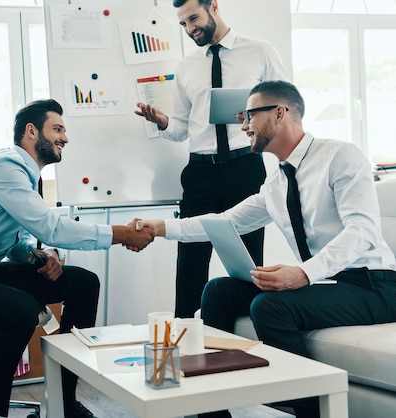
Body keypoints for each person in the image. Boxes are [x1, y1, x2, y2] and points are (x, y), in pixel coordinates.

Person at [134, 80, 396, 418]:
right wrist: (159, 228)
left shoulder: (339, 156)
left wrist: (302, 273)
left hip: (375, 285)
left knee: (271, 306)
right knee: (218, 291)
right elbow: (226, 221)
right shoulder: (276, 182)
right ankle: (212, 409)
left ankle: (311, 407)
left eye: (248, 116)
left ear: (280, 112)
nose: (242, 126)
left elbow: (363, 230)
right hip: (328, 283)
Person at [0, 99, 154, 418]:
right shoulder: (5, 166)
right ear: (31, 131)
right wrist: (122, 234)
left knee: (82, 283)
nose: (65, 138)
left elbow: (19, 240)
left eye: (64, 131)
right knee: (20, 310)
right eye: (57, 129)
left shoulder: (26, 177)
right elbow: (50, 226)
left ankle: (64, 402)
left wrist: (38, 255)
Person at [134, 0, 289, 318]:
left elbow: (285, 104)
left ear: (213, 7)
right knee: (189, 261)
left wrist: (254, 115)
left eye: (193, 19)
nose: (190, 29)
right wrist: (163, 123)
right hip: (200, 172)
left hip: (245, 167)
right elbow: (180, 129)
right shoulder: (186, 66)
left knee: (247, 261)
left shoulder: (260, 51)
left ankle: (250, 334)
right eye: (183, 24)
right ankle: (186, 342)